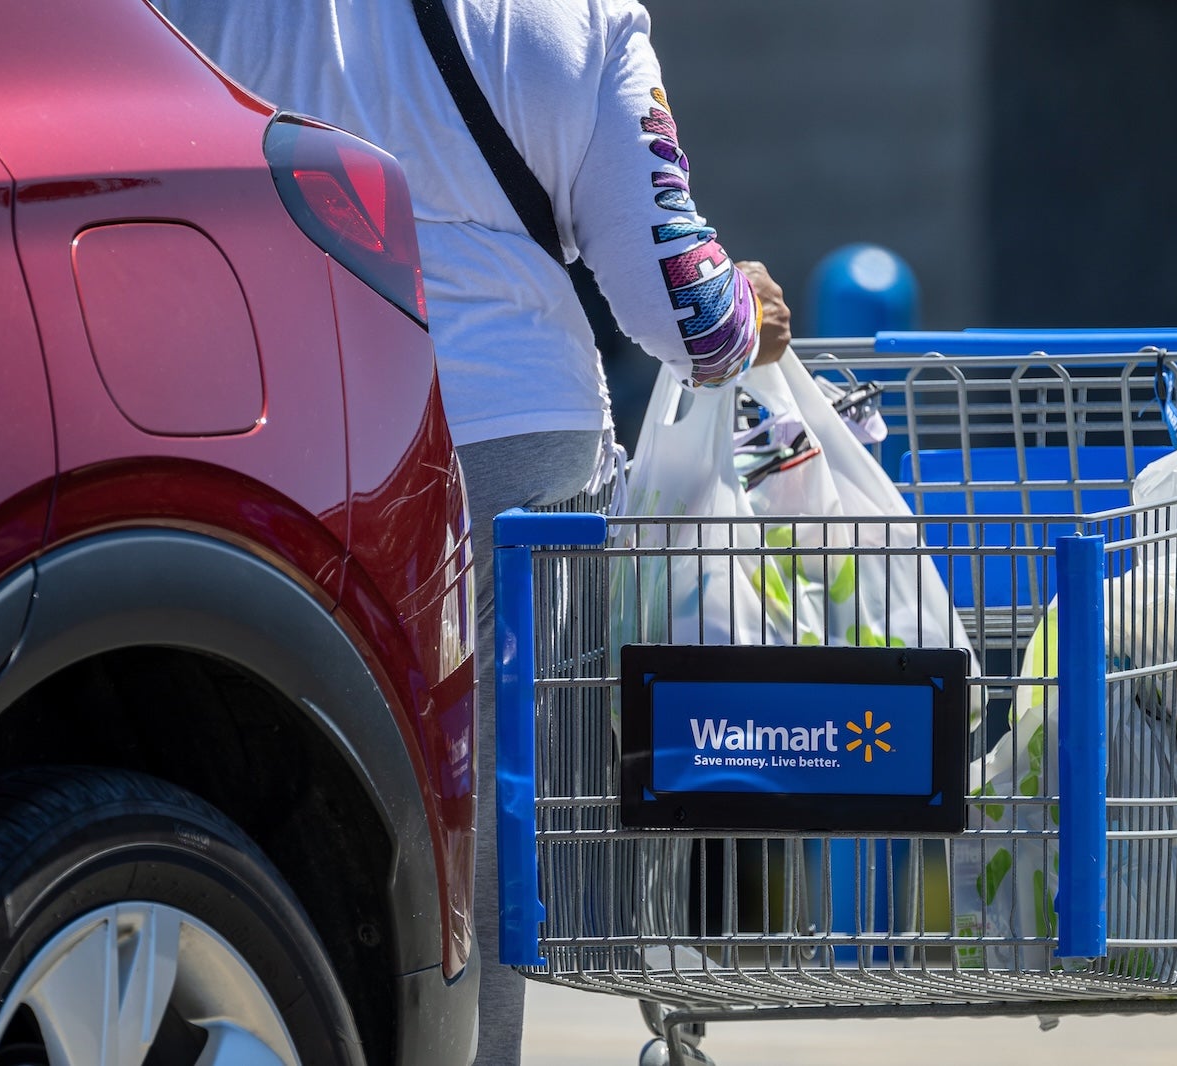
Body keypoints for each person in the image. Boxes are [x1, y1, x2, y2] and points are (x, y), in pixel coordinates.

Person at [149, 1, 792, 1063]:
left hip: (261, 423)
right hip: (510, 443)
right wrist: (745, 310)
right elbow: (686, 313)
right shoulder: (574, 17)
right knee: (479, 845)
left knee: (258, 773)